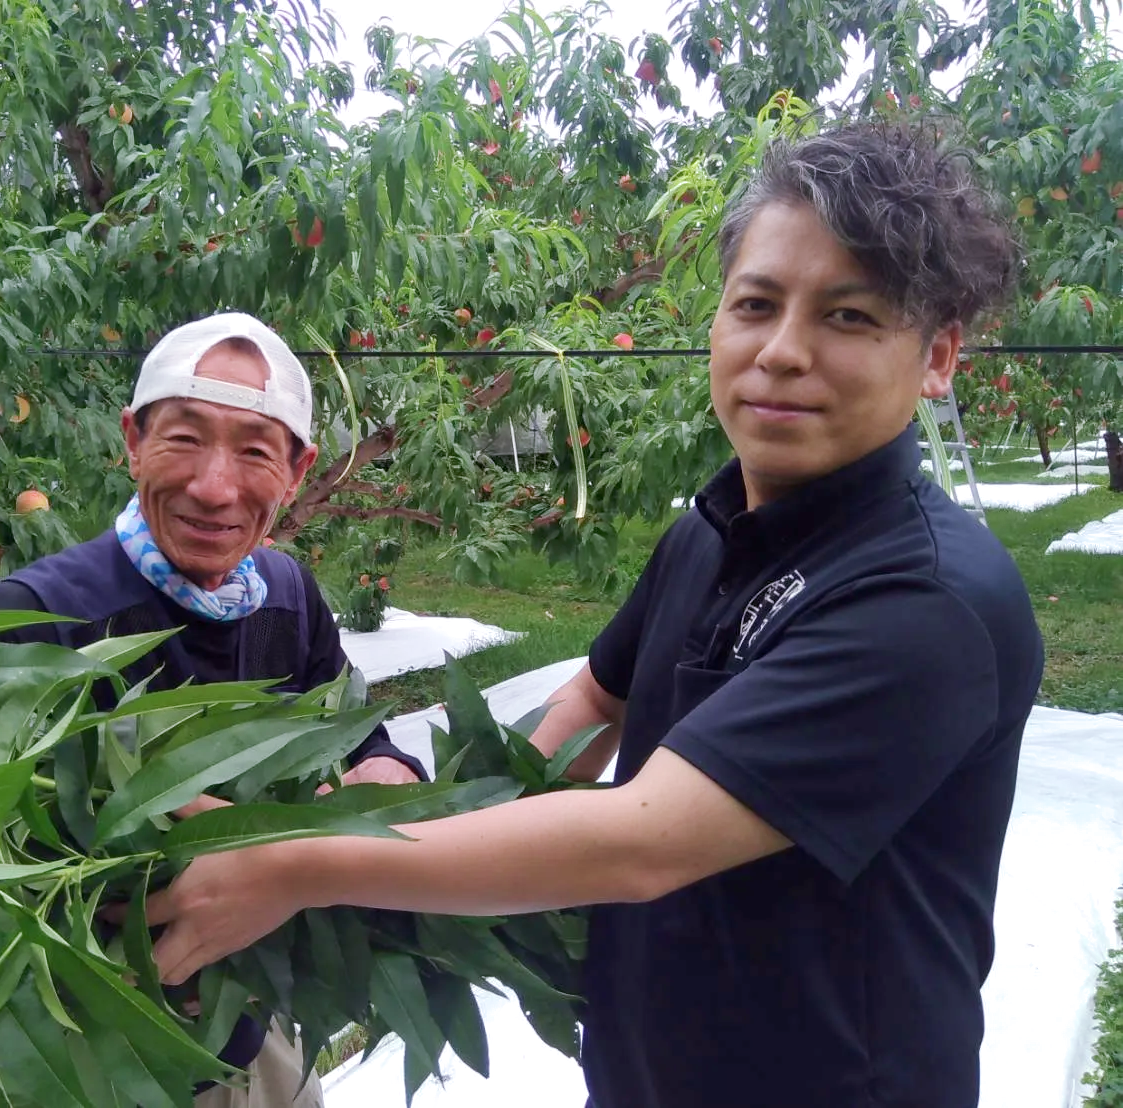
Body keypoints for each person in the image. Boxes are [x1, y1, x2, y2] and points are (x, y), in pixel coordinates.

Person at [143, 122, 1045, 1107]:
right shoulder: (711, 530)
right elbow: (583, 706)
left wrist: (296, 863)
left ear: (938, 356)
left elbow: (641, 840)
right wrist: (392, 811)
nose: (781, 352)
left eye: (849, 316)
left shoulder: (927, 600)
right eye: (755, 304)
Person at [0, 311, 425, 1107]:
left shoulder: (287, 596)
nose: (213, 488)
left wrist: (384, 770)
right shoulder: (36, 617)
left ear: (296, 469)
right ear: (131, 440)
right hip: (97, 1049)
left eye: (254, 451)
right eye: (182, 439)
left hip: (251, 1013)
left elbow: (356, 732)